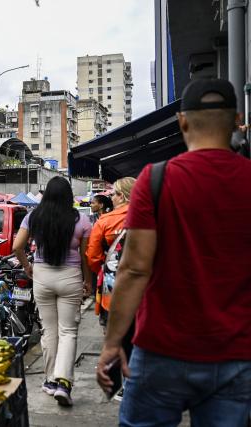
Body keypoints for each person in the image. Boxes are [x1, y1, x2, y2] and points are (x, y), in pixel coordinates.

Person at [96, 79, 251, 426]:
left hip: (162, 351)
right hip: (236, 356)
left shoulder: (156, 180)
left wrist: (112, 342)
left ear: (182, 121)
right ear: (237, 120)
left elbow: (134, 269)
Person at [12, 176, 92, 406]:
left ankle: (49, 380)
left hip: (42, 276)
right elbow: (86, 257)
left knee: (48, 331)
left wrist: (28, 266)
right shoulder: (82, 220)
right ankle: (63, 383)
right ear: (69, 196)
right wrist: (88, 281)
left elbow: (17, 246)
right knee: (68, 331)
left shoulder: (33, 217)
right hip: (71, 277)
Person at [86, 178, 135, 329]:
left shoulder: (105, 221)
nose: (111, 198)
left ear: (122, 196)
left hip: (113, 288)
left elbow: (93, 256)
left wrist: (103, 270)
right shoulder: (151, 216)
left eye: (113, 194)